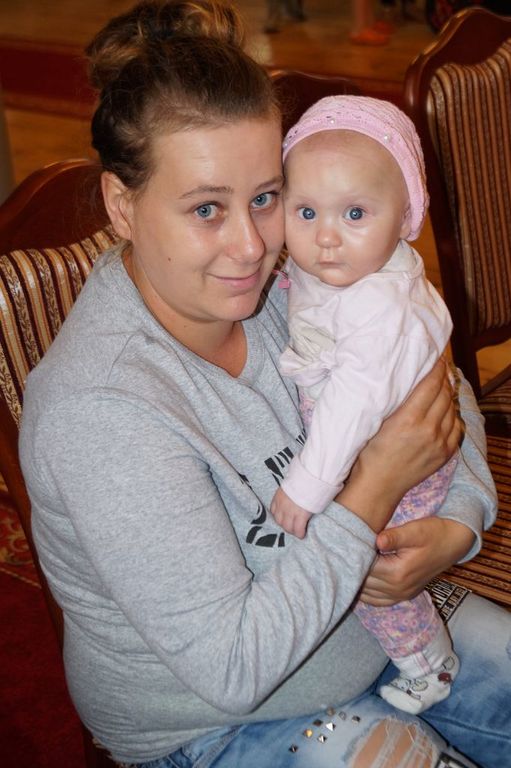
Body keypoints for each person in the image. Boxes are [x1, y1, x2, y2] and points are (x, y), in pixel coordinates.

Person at [18, 1, 510, 766]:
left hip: (378, 625)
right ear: (121, 205)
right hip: (212, 723)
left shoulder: (296, 277)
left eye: (265, 197)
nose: (251, 245)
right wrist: (372, 491)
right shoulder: (100, 412)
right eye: (206, 209)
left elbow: (432, 385)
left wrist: (457, 523)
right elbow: (232, 670)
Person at [271, 95, 459, 716]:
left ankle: (426, 663)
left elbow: (352, 406)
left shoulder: (379, 306)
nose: (326, 238)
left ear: (406, 216)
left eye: (355, 213)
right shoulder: (350, 266)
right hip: (370, 446)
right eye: (305, 211)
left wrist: (307, 485)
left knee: (374, 578)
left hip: (395, 462)